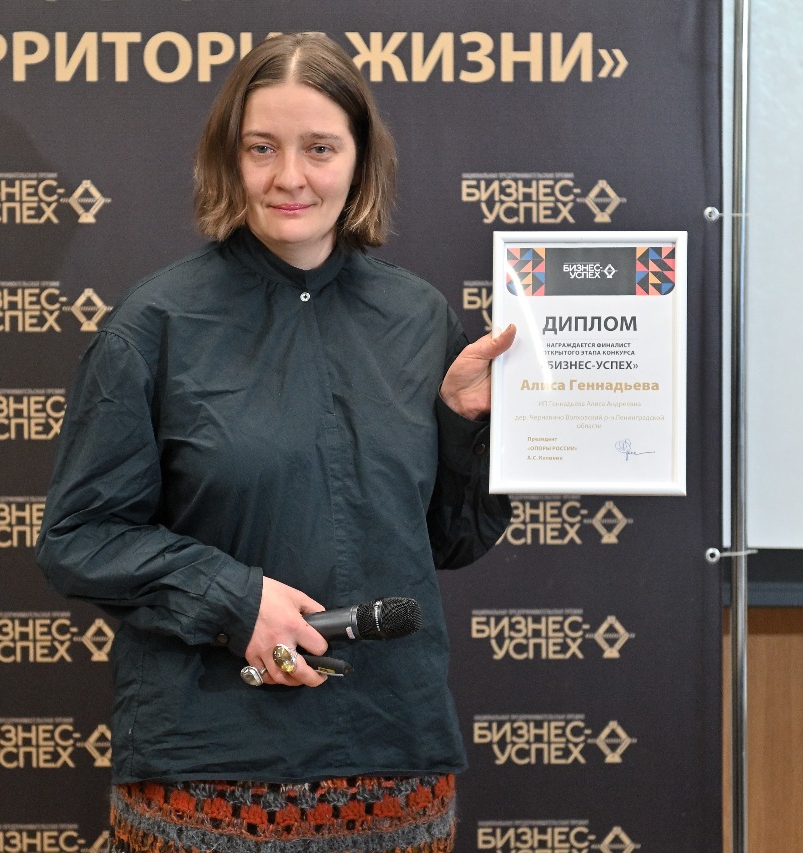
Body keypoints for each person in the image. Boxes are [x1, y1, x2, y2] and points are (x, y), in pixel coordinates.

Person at [36, 31, 516, 853]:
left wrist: (465, 430)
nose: (290, 176)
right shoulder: (153, 324)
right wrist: (235, 598)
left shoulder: (420, 319)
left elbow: (452, 541)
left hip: (392, 763)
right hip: (204, 769)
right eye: (262, 148)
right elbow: (79, 537)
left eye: (319, 148)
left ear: (360, 162)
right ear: (229, 159)